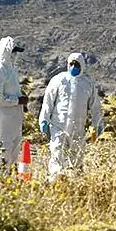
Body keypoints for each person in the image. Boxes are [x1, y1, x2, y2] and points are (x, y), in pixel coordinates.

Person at [39, 52, 103, 182]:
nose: (73, 67)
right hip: (58, 126)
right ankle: (55, 183)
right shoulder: (59, 80)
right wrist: (44, 119)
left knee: (76, 159)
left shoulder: (87, 83)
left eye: (77, 64)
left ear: (82, 66)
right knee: (57, 155)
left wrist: (97, 125)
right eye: (71, 64)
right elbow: (48, 102)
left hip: (77, 129)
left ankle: (74, 185)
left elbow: (95, 106)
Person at [0, 36, 29, 175]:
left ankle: (9, 191)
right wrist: (17, 101)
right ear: (6, 52)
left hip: (14, 125)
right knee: (0, 164)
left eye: (16, 52)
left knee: (11, 164)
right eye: (13, 51)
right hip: (2, 126)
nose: (15, 55)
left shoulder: (12, 71)